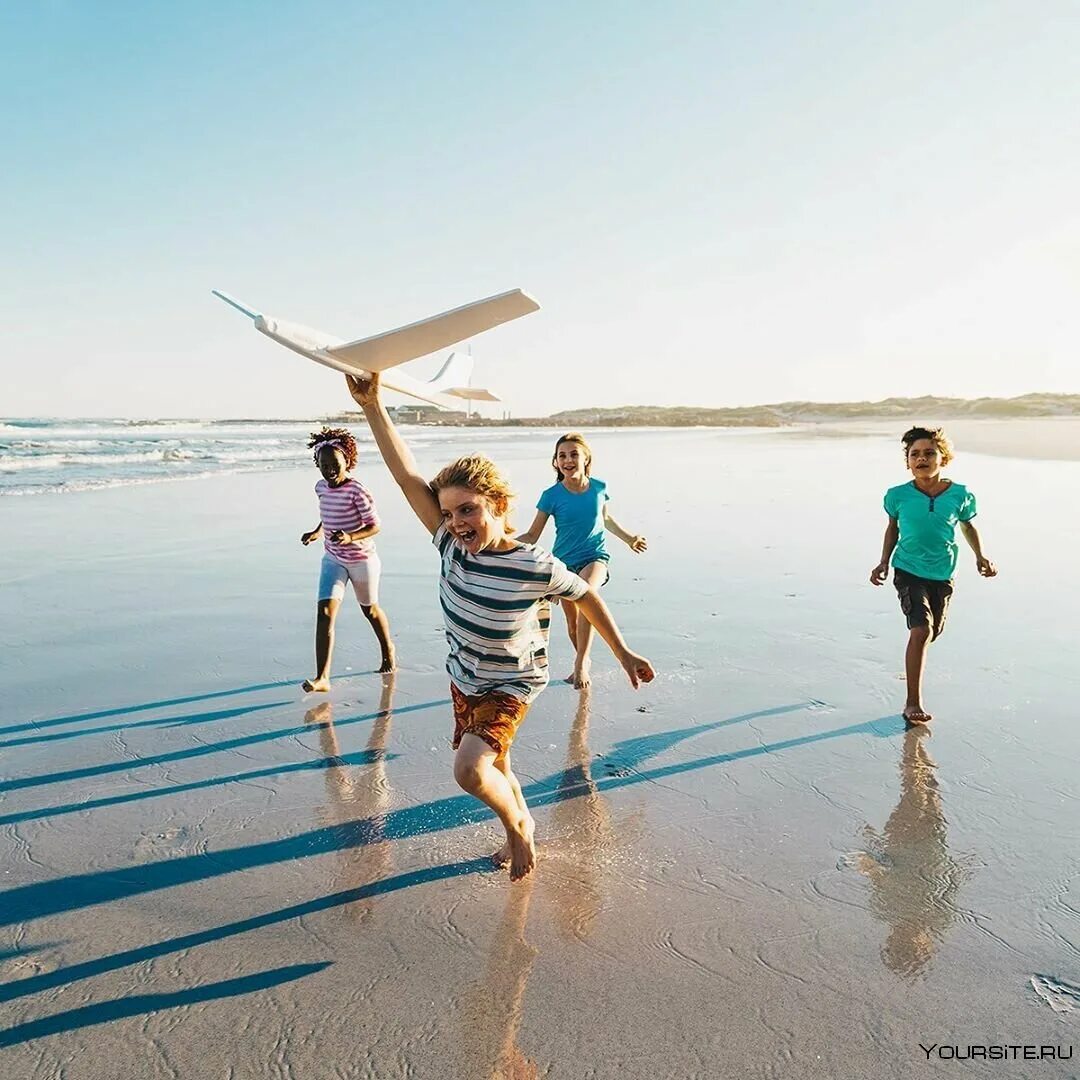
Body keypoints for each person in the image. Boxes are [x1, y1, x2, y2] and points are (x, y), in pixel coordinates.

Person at [345, 374, 655, 881]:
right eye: (448, 512)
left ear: (498, 505)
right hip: (465, 677)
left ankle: (518, 827)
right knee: (499, 766)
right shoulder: (447, 541)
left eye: (469, 509)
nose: (457, 521)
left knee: (470, 771)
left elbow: (587, 596)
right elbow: (406, 477)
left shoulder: (534, 564)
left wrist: (622, 653)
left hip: (513, 682)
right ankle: (520, 821)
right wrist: (373, 404)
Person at [870, 426, 996, 723]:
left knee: (932, 632)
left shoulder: (960, 495)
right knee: (922, 629)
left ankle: (916, 656)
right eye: (915, 454)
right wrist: (883, 562)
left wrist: (980, 556)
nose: (922, 458)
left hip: (942, 571)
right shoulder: (897, 495)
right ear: (908, 462)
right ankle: (912, 702)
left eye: (929, 453)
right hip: (908, 569)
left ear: (944, 458)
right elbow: (893, 528)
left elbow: (967, 525)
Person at [518, 433, 647, 688]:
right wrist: (503, 545)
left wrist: (629, 538)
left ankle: (580, 663)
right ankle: (583, 660)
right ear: (555, 462)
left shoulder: (599, 488)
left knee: (586, 593)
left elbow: (606, 519)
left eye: (574, 454)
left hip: (594, 557)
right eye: (562, 455)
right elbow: (533, 534)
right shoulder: (551, 495)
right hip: (563, 563)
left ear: (586, 458)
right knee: (573, 623)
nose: (568, 459)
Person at [301, 427, 394, 692]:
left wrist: (351, 537)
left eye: (335, 464)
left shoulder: (357, 491)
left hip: (362, 559)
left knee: (370, 610)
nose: (329, 469)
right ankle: (323, 677)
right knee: (325, 612)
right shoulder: (320, 488)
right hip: (333, 559)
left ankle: (388, 651)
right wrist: (317, 532)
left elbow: (375, 525)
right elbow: (328, 514)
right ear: (317, 463)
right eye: (324, 464)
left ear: (347, 462)